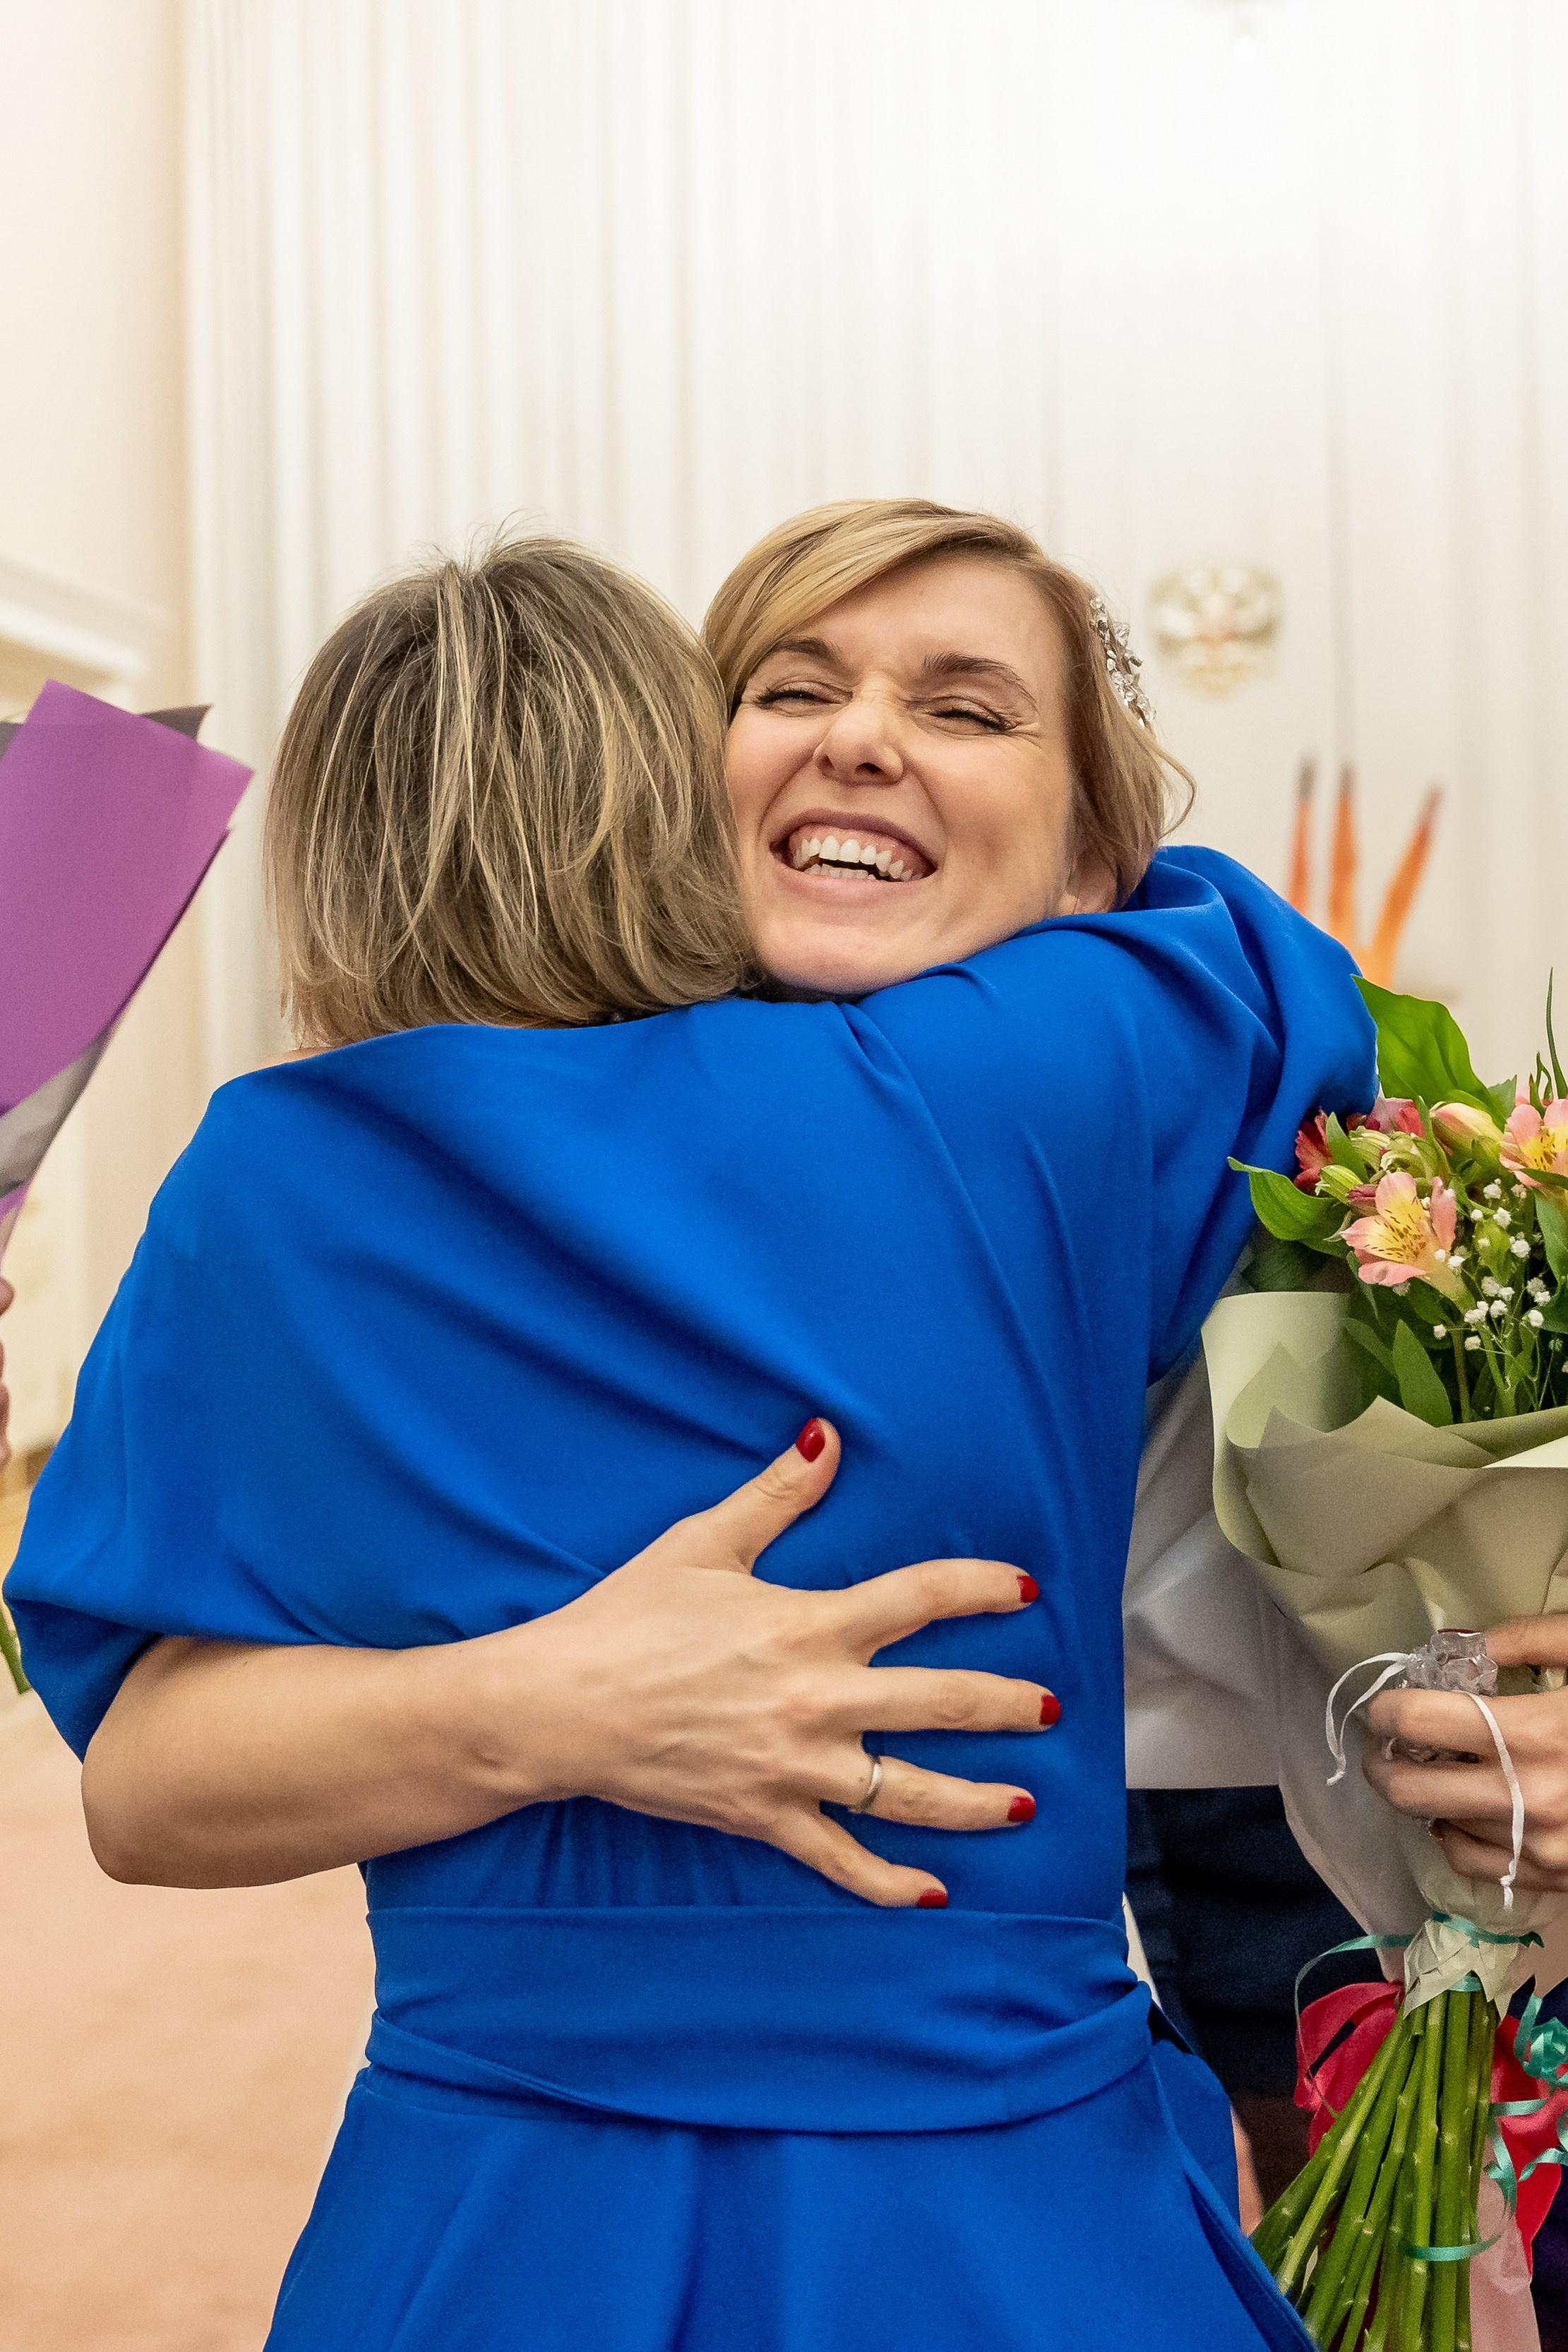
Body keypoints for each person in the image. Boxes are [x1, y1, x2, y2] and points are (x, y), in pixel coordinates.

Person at [6, 505, 1373, 2350]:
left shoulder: (272, 1171)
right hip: (1001, 2226)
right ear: (673, 766)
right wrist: (561, 1697)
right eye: (795, 685)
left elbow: (137, 1779)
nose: (865, 734)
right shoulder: (1047, 1073)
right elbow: (1283, 977)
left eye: (964, 708)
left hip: (494, 2225)